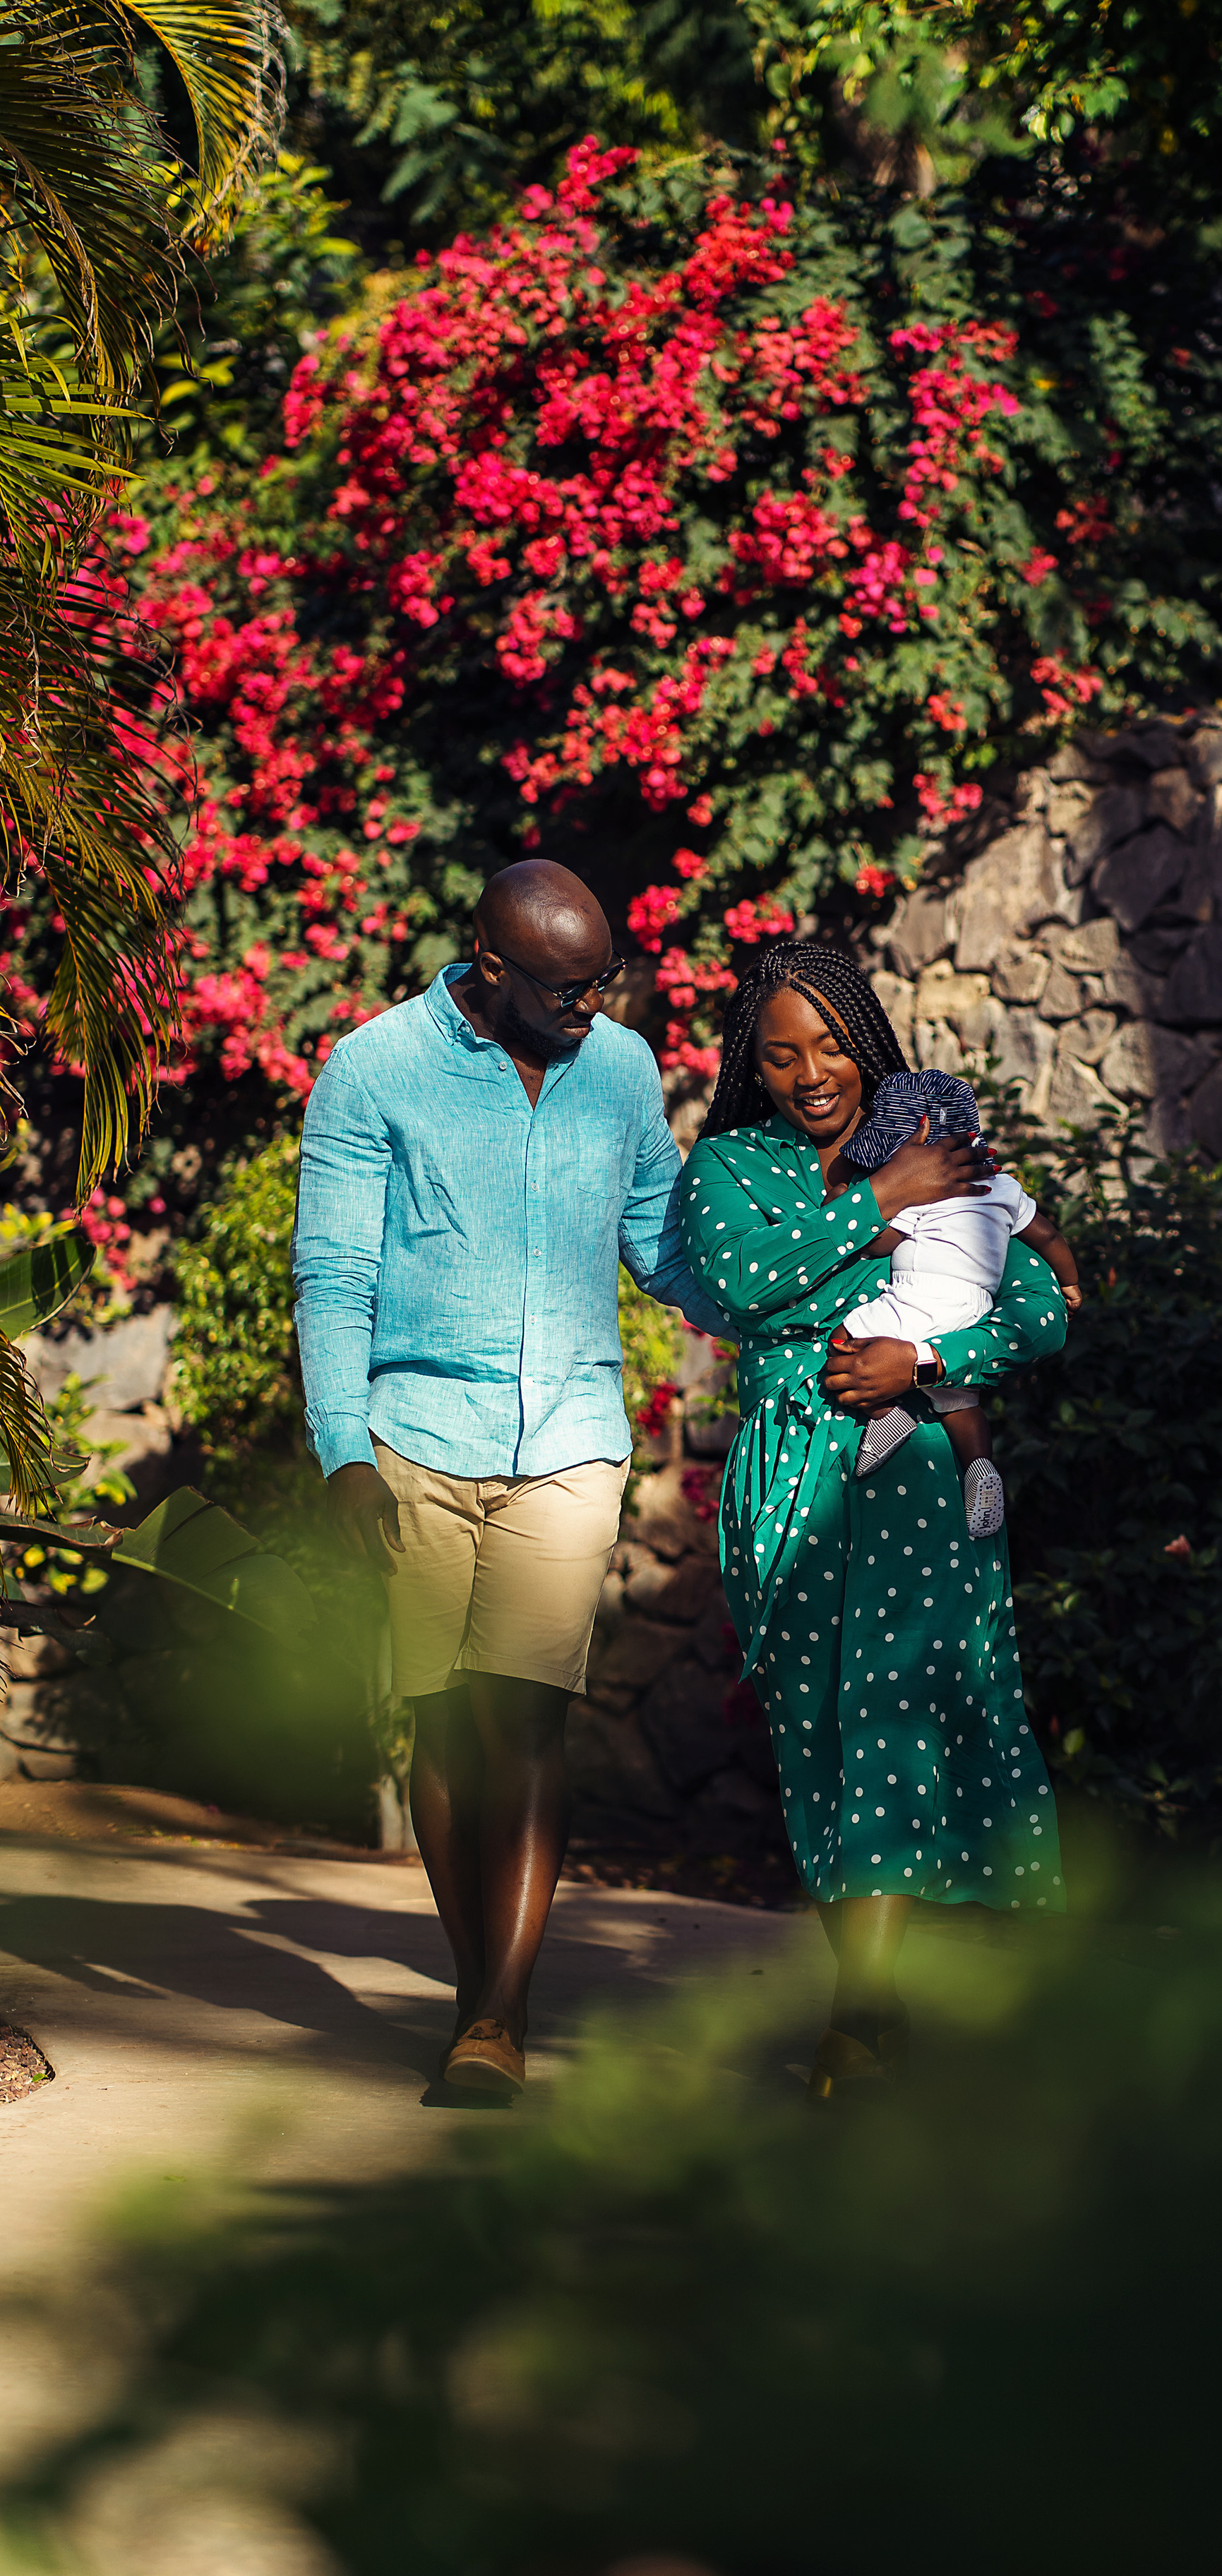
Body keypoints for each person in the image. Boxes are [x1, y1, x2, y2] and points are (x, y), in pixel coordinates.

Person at [292, 860, 723, 2100]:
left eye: (605, 981)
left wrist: (780, 1291)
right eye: (567, 988)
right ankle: (479, 1980)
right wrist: (344, 1453)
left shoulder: (624, 1070)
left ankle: (497, 2019)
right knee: (441, 1719)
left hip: (571, 1440)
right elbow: (334, 1274)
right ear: (490, 964)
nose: (593, 1006)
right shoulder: (375, 1069)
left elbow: (658, 1242)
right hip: (416, 1436)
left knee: (524, 1715)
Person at [680, 938, 1070, 2100]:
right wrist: (877, 1201)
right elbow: (743, 1283)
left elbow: (1042, 1306)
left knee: (897, 1715)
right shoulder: (729, 1169)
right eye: (783, 1053)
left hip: (914, 1480)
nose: (813, 1074)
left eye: (835, 1046)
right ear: (752, 1062)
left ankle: (858, 2014)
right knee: (817, 1742)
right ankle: (876, 1994)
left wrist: (928, 1353)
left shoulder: (933, 1138)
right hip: (790, 1476)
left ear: (870, 1041)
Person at [833, 1065, 1082, 1535]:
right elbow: (1048, 1237)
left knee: (846, 1341)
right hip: (973, 1308)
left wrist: (848, 1197)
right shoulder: (1002, 1189)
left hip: (917, 1300)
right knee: (960, 1404)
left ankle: (891, 1415)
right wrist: (1069, 1282)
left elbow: (876, 1243)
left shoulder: (919, 1194)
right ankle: (980, 1467)